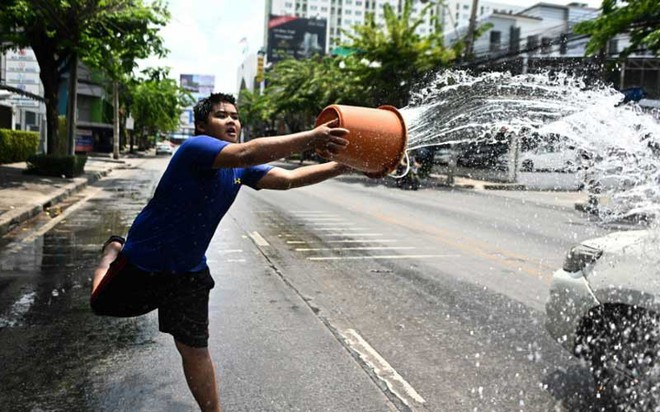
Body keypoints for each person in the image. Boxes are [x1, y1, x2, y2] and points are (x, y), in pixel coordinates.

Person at [90, 92, 351, 412]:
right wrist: (312, 138)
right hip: (143, 262)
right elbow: (246, 153)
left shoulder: (240, 168)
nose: (232, 121)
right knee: (100, 303)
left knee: (195, 350)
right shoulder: (194, 149)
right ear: (201, 126)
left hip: (188, 272)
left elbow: (287, 179)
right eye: (221, 115)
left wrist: (342, 166)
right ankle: (111, 251)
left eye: (235, 116)